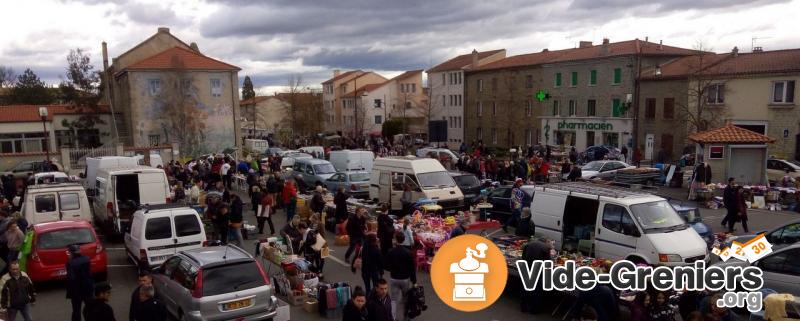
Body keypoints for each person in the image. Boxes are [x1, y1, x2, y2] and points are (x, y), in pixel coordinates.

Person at [385, 232, 416, 321]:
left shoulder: (391, 251)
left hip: (394, 278)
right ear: (404, 240)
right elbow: (412, 268)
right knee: (406, 299)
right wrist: (414, 280)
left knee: (393, 300)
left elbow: (386, 265)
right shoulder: (408, 253)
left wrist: (392, 269)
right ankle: (405, 317)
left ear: (395, 240)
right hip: (405, 279)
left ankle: (393, 317)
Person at [520, 238, 553, 314]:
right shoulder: (545, 247)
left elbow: (523, 256)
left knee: (525, 288)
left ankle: (523, 307)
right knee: (536, 291)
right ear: (546, 241)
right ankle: (534, 310)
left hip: (527, 268)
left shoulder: (529, 244)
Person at [66, 244, 93, 321]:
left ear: (72, 253)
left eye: (69, 253)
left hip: (76, 291)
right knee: (90, 308)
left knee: (76, 311)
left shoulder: (70, 263)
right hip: (88, 288)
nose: (68, 255)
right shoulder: (87, 259)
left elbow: (71, 278)